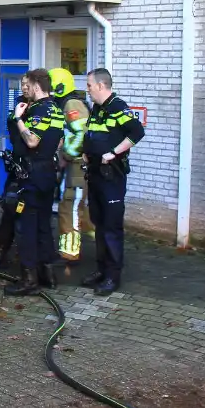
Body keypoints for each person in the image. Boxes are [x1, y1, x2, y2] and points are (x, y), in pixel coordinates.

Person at [81, 67, 145, 295]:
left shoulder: (118, 106)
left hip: (112, 177)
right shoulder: (98, 108)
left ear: (100, 85)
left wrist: (114, 152)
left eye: (89, 85)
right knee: (99, 224)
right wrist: (87, 152)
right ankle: (101, 270)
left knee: (111, 227)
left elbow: (137, 132)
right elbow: (93, 134)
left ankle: (113, 276)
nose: (87, 90)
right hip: (96, 174)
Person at [3, 69, 65, 296]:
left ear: (37, 85)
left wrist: (19, 119)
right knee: (43, 224)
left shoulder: (40, 109)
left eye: (26, 84)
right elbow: (59, 141)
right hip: (48, 173)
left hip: (32, 175)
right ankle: (48, 275)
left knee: (26, 226)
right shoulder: (57, 108)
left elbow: (31, 140)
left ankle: (29, 280)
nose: (24, 88)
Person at [50, 67, 95, 264]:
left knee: (70, 206)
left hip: (76, 166)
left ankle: (69, 253)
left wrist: (66, 155)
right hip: (74, 165)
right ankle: (97, 241)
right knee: (75, 206)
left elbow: (81, 134)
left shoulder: (71, 104)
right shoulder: (67, 104)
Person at [0, 86, 30, 269]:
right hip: (18, 169)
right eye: (24, 84)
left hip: (36, 171)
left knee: (32, 218)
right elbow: (13, 130)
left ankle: (34, 263)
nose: (25, 87)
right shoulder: (19, 105)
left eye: (29, 84)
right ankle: (0, 252)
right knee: (10, 212)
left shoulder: (45, 109)